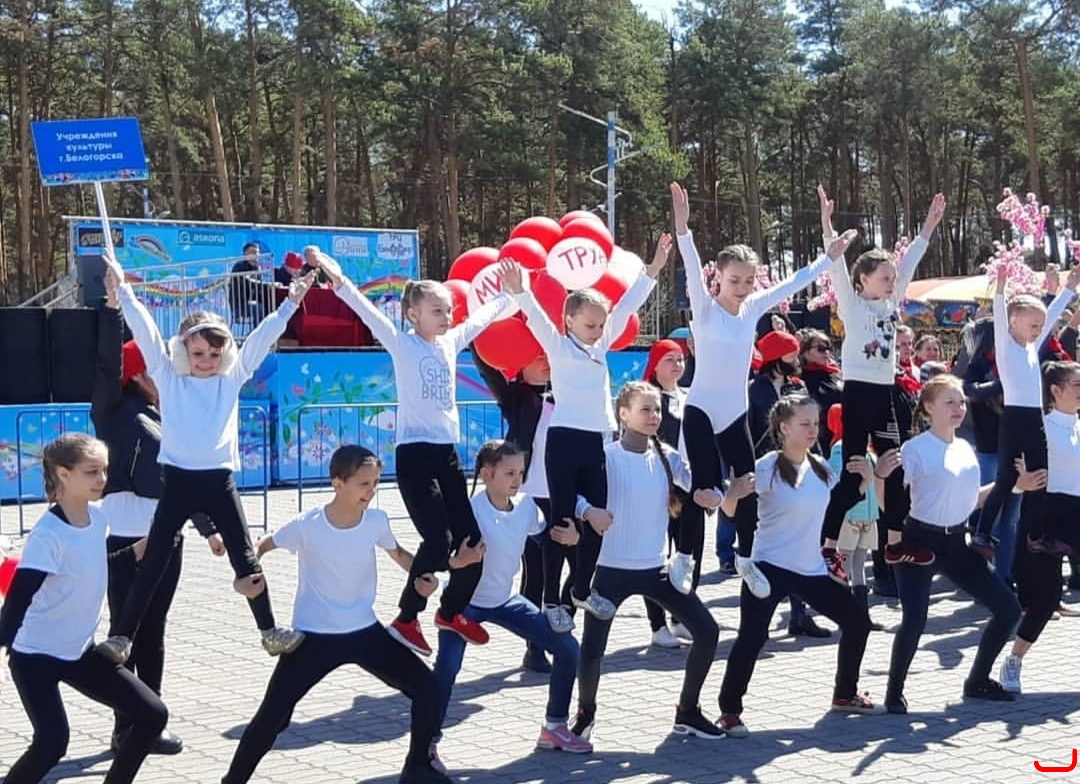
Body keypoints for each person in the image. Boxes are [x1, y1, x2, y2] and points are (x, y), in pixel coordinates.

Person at [95, 253, 315, 664]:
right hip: (177, 483)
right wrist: (123, 292)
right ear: (183, 352)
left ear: (225, 355)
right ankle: (122, 637)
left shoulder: (231, 379)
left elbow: (262, 337)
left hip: (219, 483)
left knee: (245, 558)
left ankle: (269, 630)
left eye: (214, 355)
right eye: (197, 354)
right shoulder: (167, 377)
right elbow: (145, 329)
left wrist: (290, 303)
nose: (206, 362)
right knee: (153, 561)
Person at [320, 252, 515, 656]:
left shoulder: (451, 342)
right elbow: (368, 313)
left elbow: (482, 318)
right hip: (415, 455)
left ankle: (451, 611)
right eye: (437, 310)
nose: (446, 317)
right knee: (438, 540)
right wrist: (339, 281)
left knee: (473, 540)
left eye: (448, 310)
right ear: (413, 315)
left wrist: (513, 294)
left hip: (446, 454)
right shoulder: (402, 344)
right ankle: (407, 618)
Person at [222, 445, 449, 784]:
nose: (371, 491)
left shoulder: (376, 521)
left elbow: (400, 554)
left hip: (365, 633)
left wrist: (425, 579)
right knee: (272, 718)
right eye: (363, 484)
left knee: (428, 689)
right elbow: (262, 546)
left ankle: (417, 768)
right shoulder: (308, 525)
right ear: (337, 483)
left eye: (376, 483)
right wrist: (245, 575)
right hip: (313, 638)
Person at [671, 182, 853, 601]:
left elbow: (793, 283)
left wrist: (829, 256)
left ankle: (747, 559)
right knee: (702, 489)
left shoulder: (752, 308)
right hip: (701, 409)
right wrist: (683, 228)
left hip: (733, 412)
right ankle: (684, 557)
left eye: (749, 280)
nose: (742, 286)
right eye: (734, 279)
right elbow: (691, 261)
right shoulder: (704, 308)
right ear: (718, 278)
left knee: (748, 484)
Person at [504, 241, 667, 623]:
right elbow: (535, 317)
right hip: (564, 440)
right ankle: (551, 601)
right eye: (590, 325)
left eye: (600, 324)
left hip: (597, 440)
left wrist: (653, 268)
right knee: (562, 522)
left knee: (598, 518)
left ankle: (580, 590)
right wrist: (520, 290)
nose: (597, 331)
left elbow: (627, 306)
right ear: (569, 321)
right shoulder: (558, 346)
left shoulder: (602, 345)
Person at [92, 295, 224, 755]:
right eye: (151, 371)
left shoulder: (170, 414)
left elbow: (184, 476)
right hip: (127, 537)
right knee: (125, 631)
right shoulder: (113, 410)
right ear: (135, 375)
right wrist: (113, 311)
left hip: (168, 535)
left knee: (155, 630)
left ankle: (150, 720)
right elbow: (106, 366)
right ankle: (124, 725)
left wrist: (209, 527)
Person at [0, 434, 168, 784]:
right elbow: (18, 599)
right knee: (51, 744)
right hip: (35, 659)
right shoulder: (48, 535)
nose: (102, 479)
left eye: (104, 470)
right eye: (91, 472)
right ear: (63, 474)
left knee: (153, 714)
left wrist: (144, 548)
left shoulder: (98, 518)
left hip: (80, 653)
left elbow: (96, 564)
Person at [717, 395, 887, 738]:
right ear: (784, 428)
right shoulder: (765, 467)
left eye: (816, 423)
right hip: (768, 566)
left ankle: (845, 695)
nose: (813, 430)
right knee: (753, 637)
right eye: (804, 423)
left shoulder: (820, 467)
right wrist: (732, 493)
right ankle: (729, 712)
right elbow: (732, 513)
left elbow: (838, 505)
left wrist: (870, 478)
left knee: (858, 623)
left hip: (811, 569)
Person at [572, 382, 724, 742]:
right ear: (623, 414)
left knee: (707, 631)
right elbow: (573, 495)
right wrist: (588, 511)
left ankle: (688, 712)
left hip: (657, 570)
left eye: (657, 409)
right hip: (610, 571)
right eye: (645, 409)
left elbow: (702, 487)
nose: (654, 416)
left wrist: (715, 495)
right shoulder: (605, 457)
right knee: (592, 650)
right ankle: (584, 716)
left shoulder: (667, 456)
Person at [884, 375, 1043, 713]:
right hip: (918, 541)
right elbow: (891, 498)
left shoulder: (964, 448)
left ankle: (977, 681)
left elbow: (973, 499)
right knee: (915, 620)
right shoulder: (915, 449)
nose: (958, 408)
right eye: (949, 402)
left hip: (957, 542)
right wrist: (882, 483)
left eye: (961, 402)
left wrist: (1017, 485)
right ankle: (894, 691)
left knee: (1008, 609)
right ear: (928, 408)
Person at [432, 441, 589, 773]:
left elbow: (547, 537)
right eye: (509, 473)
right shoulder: (469, 511)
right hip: (463, 606)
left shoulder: (526, 506)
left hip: (505, 601)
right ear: (487, 474)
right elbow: (439, 553)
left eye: (521, 472)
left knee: (568, 650)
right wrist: (454, 561)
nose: (517, 480)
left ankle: (554, 728)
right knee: (446, 671)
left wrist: (571, 538)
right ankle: (426, 746)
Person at [816, 185, 946, 582]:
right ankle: (827, 546)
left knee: (895, 468)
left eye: (893, 277)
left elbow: (910, 265)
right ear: (864, 279)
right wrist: (826, 226)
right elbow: (836, 269)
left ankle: (893, 543)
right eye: (884, 277)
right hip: (858, 393)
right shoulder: (852, 305)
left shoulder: (891, 305)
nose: (892, 282)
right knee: (855, 474)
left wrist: (927, 229)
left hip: (885, 393)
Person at [471, 347, 570, 672]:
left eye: (547, 355)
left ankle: (560, 630)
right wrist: (477, 338)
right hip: (528, 498)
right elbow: (488, 368)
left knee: (576, 568)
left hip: (562, 497)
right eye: (536, 356)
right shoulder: (516, 397)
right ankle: (536, 648)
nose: (545, 362)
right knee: (537, 573)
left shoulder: (565, 396)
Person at [971, 264, 1079, 556]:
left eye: (1039, 327)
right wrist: (1001, 289)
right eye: (1033, 326)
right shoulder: (1007, 347)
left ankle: (1037, 535)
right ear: (1014, 322)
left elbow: (1052, 314)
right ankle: (981, 532)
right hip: (1015, 418)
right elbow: (1000, 314)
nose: (1038, 331)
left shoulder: (1032, 347)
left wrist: (1069, 288)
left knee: (1043, 474)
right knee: (1006, 478)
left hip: (1035, 419)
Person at [1000, 361, 1080, 693]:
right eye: (1077, 384)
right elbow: (1016, 473)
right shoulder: (1041, 428)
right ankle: (1014, 660)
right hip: (1047, 516)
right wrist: (1021, 480)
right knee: (1046, 600)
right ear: (1056, 390)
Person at [747, 331, 831, 638]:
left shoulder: (798, 386)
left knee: (802, 537)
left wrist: (818, 458)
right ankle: (757, 617)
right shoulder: (754, 389)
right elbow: (747, 429)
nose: (796, 359)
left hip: (801, 466)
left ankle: (800, 613)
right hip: (766, 468)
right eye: (790, 353)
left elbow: (810, 427)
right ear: (774, 356)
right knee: (769, 537)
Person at [639, 338, 706, 646]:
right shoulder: (648, 399)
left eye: (680, 359)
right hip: (659, 486)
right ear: (655, 364)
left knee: (690, 555)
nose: (677, 365)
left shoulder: (690, 396)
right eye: (669, 359)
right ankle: (657, 625)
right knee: (656, 557)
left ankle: (682, 617)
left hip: (690, 486)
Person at [826, 403, 900, 632]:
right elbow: (836, 481)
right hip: (850, 516)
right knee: (845, 566)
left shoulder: (866, 449)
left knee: (858, 567)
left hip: (868, 516)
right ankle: (845, 617)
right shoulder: (841, 449)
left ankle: (862, 616)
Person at [799, 329, 843, 455]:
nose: (827, 352)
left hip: (840, 438)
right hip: (818, 440)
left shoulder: (835, 373)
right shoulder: (800, 379)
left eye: (828, 348)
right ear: (805, 351)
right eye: (821, 349)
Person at [229, 242, 269, 324]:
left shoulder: (257, 268)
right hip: (240, 305)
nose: (257, 255)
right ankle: (258, 331)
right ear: (246, 254)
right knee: (259, 308)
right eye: (254, 252)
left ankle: (267, 330)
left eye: (258, 252)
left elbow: (259, 288)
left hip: (251, 302)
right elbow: (247, 281)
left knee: (270, 305)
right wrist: (265, 284)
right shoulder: (239, 266)